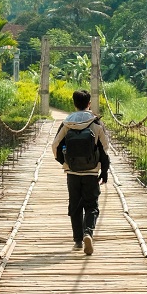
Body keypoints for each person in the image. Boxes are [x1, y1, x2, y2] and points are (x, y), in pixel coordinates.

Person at [52, 89, 109, 256]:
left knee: (75, 206)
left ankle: (77, 241)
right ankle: (87, 234)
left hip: (72, 173)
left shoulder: (66, 123)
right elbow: (105, 149)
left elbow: (55, 146)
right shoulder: (96, 123)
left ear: (74, 104)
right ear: (89, 104)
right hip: (91, 173)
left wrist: (64, 162)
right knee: (91, 206)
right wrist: (102, 168)